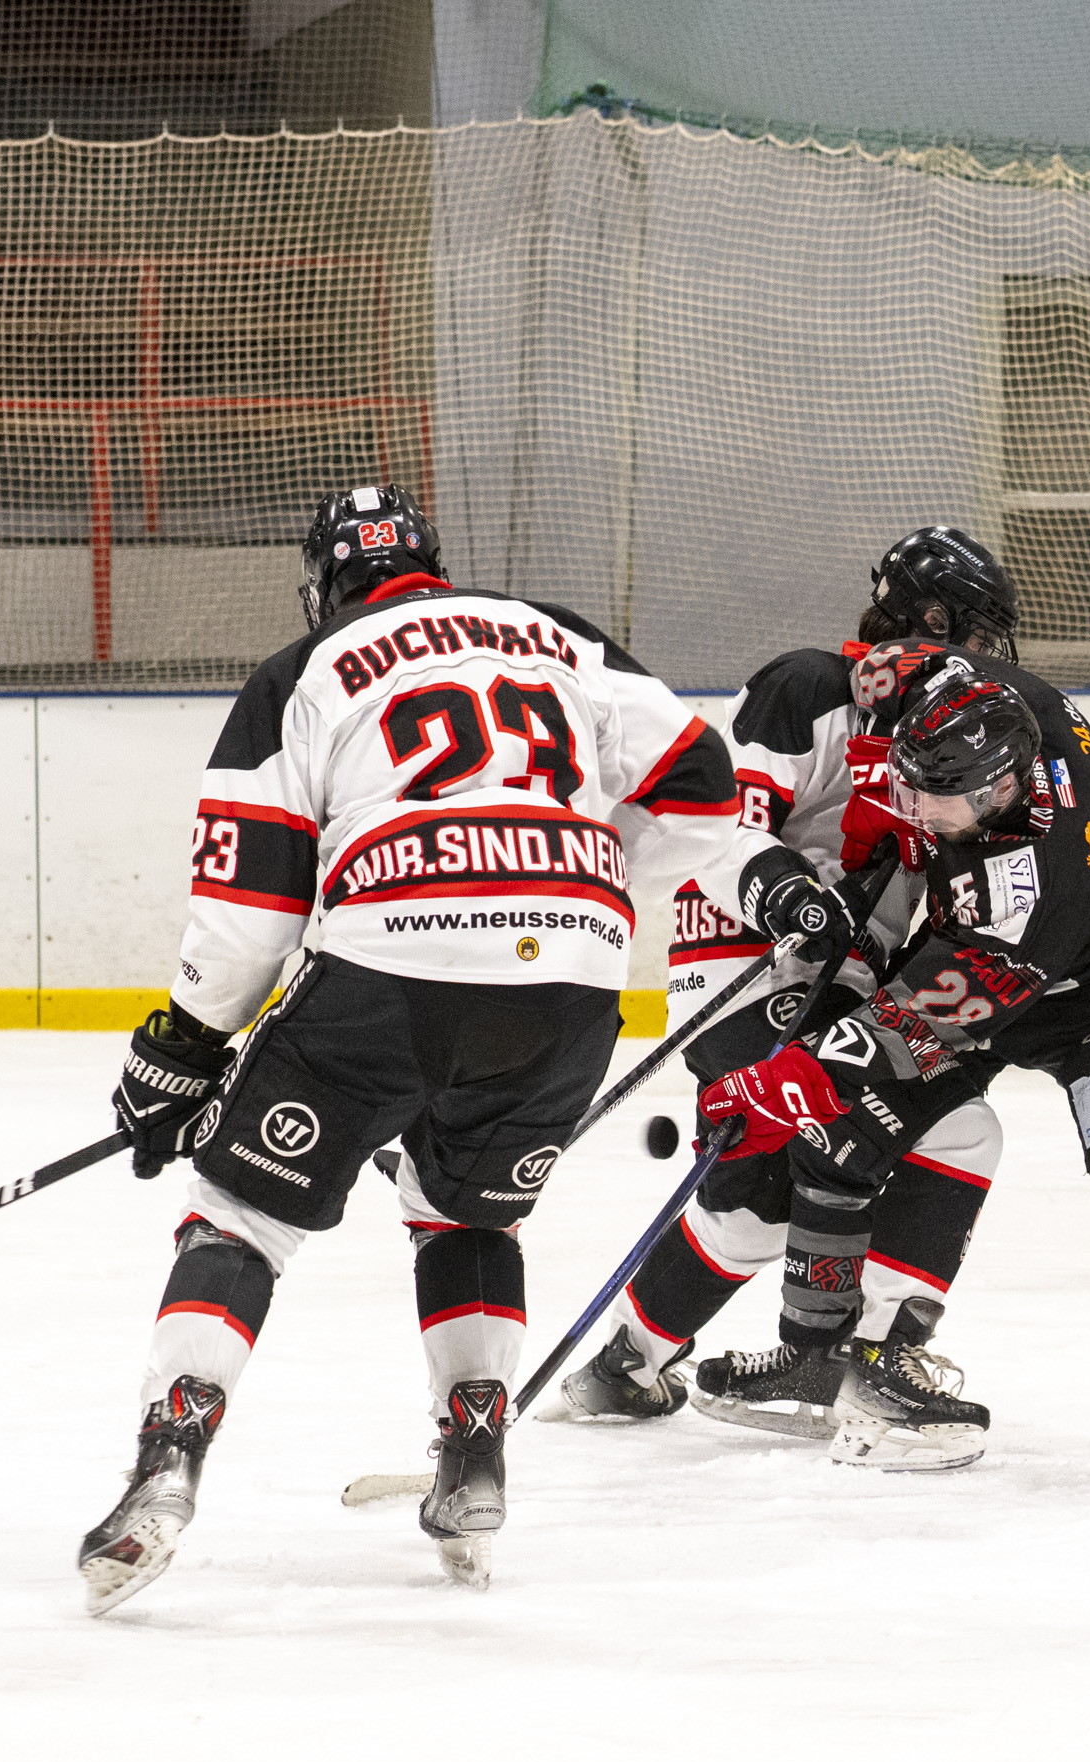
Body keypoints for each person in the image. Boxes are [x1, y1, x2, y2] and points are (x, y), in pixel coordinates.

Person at [78, 483, 741, 1613]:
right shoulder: (561, 637)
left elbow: (250, 900)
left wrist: (181, 1047)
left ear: (326, 581)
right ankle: (474, 1455)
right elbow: (706, 780)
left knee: (243, 1213)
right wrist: (578, 875)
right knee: (470, 1213)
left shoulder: (307, 667)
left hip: (389, 961)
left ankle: (169, 1457)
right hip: (570, 978)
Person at [696, 649, 1090, 1472]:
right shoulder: (992, 704)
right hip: (970, 953)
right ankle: (817, 1360)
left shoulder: (1032, 885)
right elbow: (913, 663)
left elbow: (918, 1021)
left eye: (933, 797)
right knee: (838, 1134)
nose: (913, 809)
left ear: (1000, 789)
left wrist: (792, 1078)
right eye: (908, 785)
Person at [545, 527, 1015, 1436]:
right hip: (746, 969)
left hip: (839, 982)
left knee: (759, 1207)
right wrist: (786, 891)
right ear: (931, 616)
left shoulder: (956, 736)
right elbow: (714, 829)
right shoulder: (805, 687)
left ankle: (623, 1366)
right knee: (953, 1126)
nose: (987, 655)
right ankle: (876, 1361)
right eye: (977, 631)